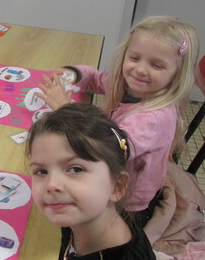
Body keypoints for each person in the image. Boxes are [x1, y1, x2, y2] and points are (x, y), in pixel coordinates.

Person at [36, 16, 200, 227]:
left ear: (177, 74)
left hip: (127, 202)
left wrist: (65, 109)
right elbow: (96, 78)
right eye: (134, 58)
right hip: (110, 178)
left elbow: (108, 149)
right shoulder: (129, 84)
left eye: (156, 65)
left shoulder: (154, 118)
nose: (140, 70)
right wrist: (75, 74)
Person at [27, 102, 156, 259]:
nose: (51, 185)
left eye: (76, 169)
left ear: (117, 186)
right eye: (41, 171)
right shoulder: (80, 214)